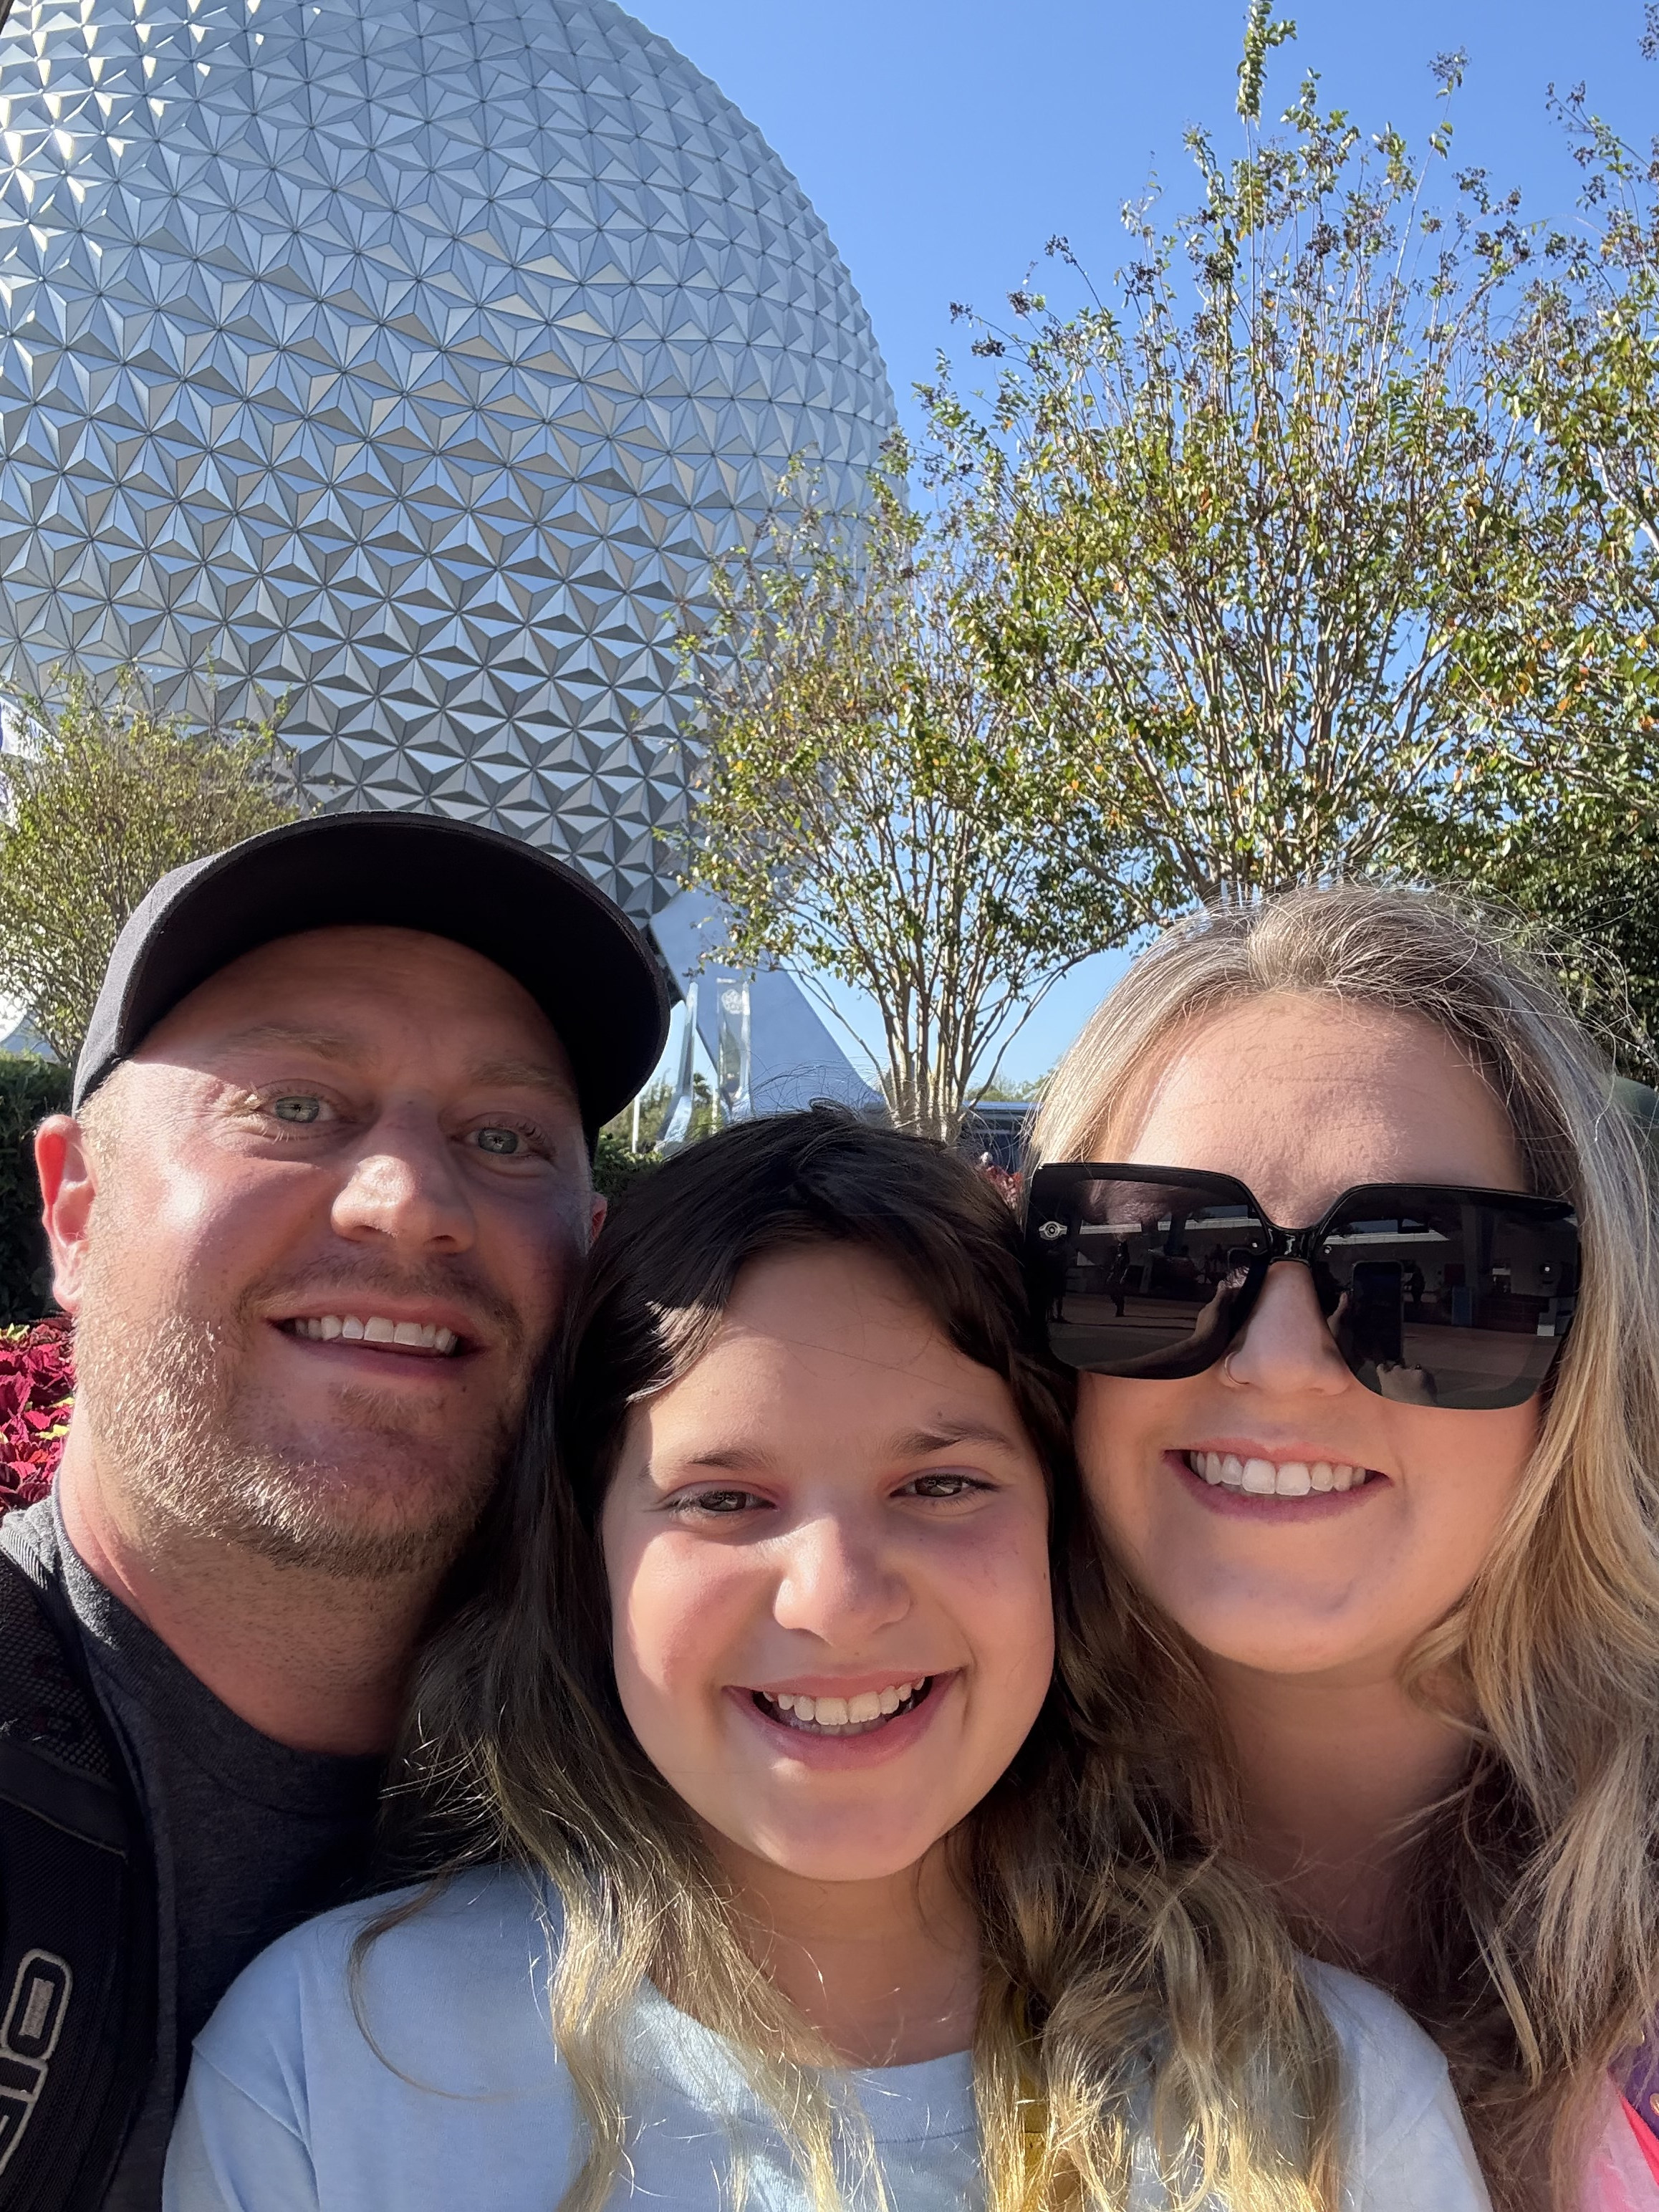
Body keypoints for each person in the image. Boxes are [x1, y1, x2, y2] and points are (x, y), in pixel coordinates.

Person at [166, 1110, 1489, 2212]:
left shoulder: (1327, 2098)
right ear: (585, 1559)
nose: (838, 1602)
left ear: (1060, 1543)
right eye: (724, 1501)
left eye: (943, 1484)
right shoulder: (334, 2064)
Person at [0, 812, 668, 2211]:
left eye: (504, 1136)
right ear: (73, 1209)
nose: (410, 1200)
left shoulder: (709, 1781)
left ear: (591, 1259)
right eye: (297, 1106)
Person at [1024, 883, 1659, 2211]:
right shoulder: (887, 1892)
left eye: (1423, 1278)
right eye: (1161, 1258)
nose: (1280, 1362)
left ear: (1578, 1357)